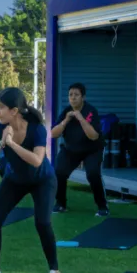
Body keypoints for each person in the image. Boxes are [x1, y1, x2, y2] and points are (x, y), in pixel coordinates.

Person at [0, 87, 62, 273]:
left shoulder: (37, 128)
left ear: (14, 111)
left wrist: (12, 144)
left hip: (42, 180)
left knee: (42, 222)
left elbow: (37, 161)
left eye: (1, 108)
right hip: (14, 179)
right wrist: (1, 144)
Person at [50, 82, 108, 216]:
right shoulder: (66, 112)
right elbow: (53, 134)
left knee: (93, 174)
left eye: (76, 95)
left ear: (83, 97)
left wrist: (81, 118)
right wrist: (65, 121)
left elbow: (93, 136)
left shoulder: (91, 111)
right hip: (71, 149)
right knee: (59, 171)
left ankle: (102, 206)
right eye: (70, 95)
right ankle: (61, 204)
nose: (73, 98)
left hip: (92, 149)